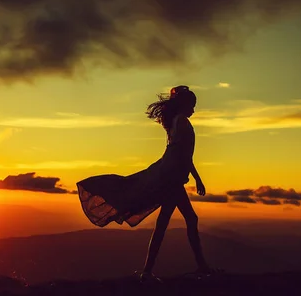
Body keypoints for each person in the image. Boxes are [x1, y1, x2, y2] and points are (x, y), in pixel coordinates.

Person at [76, 85, 216, 282]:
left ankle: (150, 271)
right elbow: (181, 154)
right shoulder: (182, 122)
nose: (194, 109)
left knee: (165, 223)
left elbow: (182, 154)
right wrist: (196, 178)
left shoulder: (176, 121)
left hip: (169, 176)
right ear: (184, 105)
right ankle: (197, 267)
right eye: (192, 105)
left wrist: (194, 177)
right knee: (187, 220)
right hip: (171, 178)